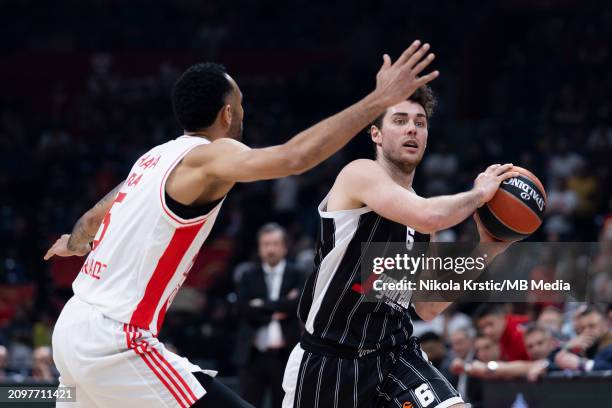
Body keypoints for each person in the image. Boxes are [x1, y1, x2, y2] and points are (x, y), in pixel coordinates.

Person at [43, 39, 439, 408]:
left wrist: (74, 243)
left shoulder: (153, 159)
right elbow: (294, 157)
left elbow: (92, 220)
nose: (244, 113)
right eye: (242, 103)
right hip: (116, 341)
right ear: (228, 113)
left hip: (73, 325)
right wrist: (378, 99)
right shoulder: (211, 156)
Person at [282, 73, 519, 407]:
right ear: (376, 134)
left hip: (394, 354)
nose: (412, 129)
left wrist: (489, 247)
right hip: (329, 359)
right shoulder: (360, 174)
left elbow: (428, 306)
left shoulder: (421, 219)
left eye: (420, 123)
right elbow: (430, 214)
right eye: (400, 120)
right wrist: (479, 193)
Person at [234, 223, 304, 407]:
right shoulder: (248, 275)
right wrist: (277, 309)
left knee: (283, 403)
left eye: (275, 244)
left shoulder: (297, 273)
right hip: (253, 353)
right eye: (266, 244)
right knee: (247, 403)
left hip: (284, 354)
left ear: (284, 247)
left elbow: (297, 305)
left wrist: (261, 305)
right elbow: (242, 309)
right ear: (259, 248)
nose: (270, 249)